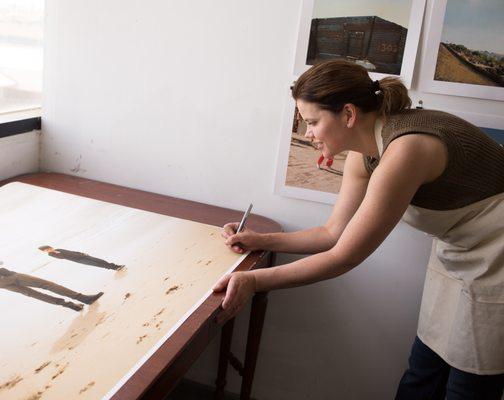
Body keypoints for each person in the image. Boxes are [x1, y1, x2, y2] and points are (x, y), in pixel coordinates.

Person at [213, 60, 504, 399]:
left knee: (467, 387)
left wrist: (253, 280)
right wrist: (259, 240)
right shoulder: (365, 152)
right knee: (423, 373)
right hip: (461, 249)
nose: (307, 133)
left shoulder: (406, 150)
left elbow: (344, 257)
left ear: (348, 114)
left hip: (496, 257)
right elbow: (332, 233)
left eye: (312, 122)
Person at [0, 255, 103, 311]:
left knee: (31, 293)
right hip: (2, 275)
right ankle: (83, 298)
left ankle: (70, 306)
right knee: (45, 284)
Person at [38, 245, 124, 271]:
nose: (50, 249)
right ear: (45, 251)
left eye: (49, 247)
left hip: (82, 256)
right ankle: (115, 268)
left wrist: (81, 252)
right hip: (78, 260)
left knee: (99, 260)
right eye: (47, 249)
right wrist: (54, 252)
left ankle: (115, 265)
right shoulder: (52, 254)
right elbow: (62, 257)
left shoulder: (58, 249)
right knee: (96, 264)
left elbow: (71, 251)